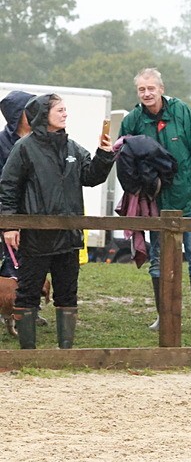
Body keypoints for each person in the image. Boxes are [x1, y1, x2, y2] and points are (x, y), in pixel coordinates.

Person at [0, 94, 115, 349]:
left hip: (68, 237)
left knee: (67, 293)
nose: (65, 114)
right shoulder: (24, 148)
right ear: (44, 114)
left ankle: (66, 353)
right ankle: (28, 354)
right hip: (35, 238)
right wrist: (8, 225)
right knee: (28, 293)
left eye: (66, 110)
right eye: (60, 110)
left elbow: (91, 176)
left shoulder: (73, 147)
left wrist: (104, 154)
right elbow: (8, 187)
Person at [118, 68, 191, 332]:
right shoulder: (132, 120)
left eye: (151, 88)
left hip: (187, 198)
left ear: (161, 89)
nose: (147, 93)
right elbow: (122, 158)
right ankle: (164, 315)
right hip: (154, 203)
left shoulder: (181, 112)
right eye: (142, 89)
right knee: (158, 258)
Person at [0, 91, 34, 279]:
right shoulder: (1, 143)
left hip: (37, 214)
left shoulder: (42, 140)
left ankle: (24, 305)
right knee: (11, 267)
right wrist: (8, 223)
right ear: (17, 113)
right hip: (8, 213)